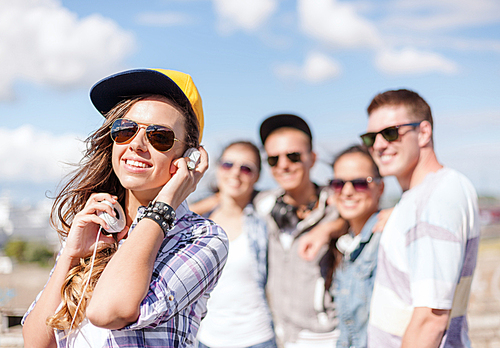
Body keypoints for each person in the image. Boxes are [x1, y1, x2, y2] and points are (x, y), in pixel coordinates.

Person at [22, 68, 229, 348]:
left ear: (190, 157)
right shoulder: (97, 226)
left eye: (159, 137)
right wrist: (70, 254)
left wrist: (164, 206)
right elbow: (37, 343)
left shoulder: (202, 238)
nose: (136, 144)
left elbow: (108, 311)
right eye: (125, 130)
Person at [363, 89, 480, 347]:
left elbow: (431, 320)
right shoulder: (423, 199)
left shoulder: (433, 202)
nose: (379, 145)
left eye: (391, 133)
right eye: (370, 137)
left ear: (424, 132)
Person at [253, 114, 345, 348]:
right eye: (273, 160)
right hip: (278, 336)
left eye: (293, 156)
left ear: (312, 159)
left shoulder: (338, 203)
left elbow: (368, 215)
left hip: (324, 337)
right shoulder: (263, 206)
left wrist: (328, 228)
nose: (283, 165)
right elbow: (224, 199)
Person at [196, 141, 277, 348]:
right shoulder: (198, 221)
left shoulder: (265, 217)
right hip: (206, 338)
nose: (235, 173)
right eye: (228, 165)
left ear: (257, 176)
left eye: (246, 168)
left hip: (257, 337)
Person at [328, 145, 384, 348]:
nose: (348, 191)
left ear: (381, 187)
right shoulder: (344, 243)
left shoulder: (387, 240)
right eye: (338, 183)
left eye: (360, 183)